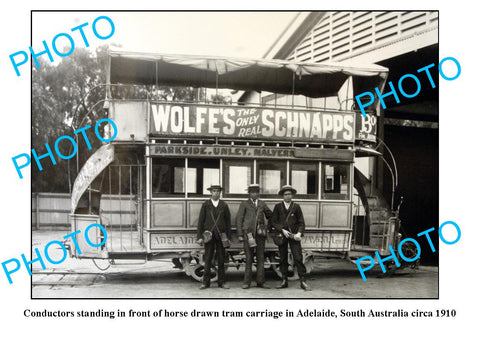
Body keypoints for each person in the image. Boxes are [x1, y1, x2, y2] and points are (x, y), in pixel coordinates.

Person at [271, 185, 311, 291]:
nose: (288, 196)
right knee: (283, 258)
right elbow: (273, 222)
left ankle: (303, 281)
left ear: (292, 195)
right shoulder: (278, 207)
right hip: (282, 236)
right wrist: (282, 230)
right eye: (285, 194)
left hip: (294, 236)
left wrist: (299, 233)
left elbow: (301, 222)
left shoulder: (296, 207)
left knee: (298, 258)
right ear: (282, 196)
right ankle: (284, 280)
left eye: (289, 194)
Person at [235, 184, 273, 289]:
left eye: (256, 192)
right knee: (249, 259)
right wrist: (239, 234)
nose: (254, 194)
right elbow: (239, 219)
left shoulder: (262, 204)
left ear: (259, 193)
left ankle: (261, 282)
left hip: (260, 235)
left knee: (261, 258)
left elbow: (271, 215)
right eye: (252, 192)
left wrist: (268, 227)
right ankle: (247, 282)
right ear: (249, 193)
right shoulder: (244, 204)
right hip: (248, 235)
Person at [196, 185, 232, 289]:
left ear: (220, 193)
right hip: (208, 236)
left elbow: (228, 222)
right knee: (207, 259)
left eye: (218, 191)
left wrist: (228, 237)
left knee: (221, 260)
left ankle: (222, 282)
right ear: (211, 192)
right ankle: (205, 283)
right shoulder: (205, 205)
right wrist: (200, 237)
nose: (216, 193)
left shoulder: (224, 205)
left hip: (222, 236)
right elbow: (200, 222)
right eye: (214, 191)